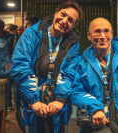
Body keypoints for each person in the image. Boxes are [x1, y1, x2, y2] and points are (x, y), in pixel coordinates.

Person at [10, 0, 83, 133]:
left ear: (74, 25)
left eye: (71, 20)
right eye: (63, 14)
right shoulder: (32, 33)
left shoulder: (73, 43)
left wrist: (60, 100)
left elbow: (69, 72)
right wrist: (34, 100)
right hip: (32, 98)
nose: (64, 21)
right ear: (56, 12)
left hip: (57, 102)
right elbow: (20, 66)